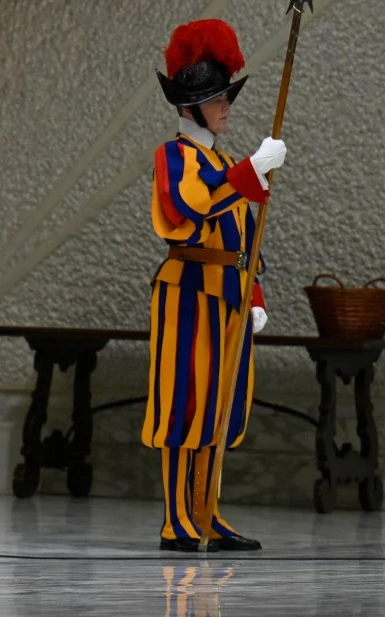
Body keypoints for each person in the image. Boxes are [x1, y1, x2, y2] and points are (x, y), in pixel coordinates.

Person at [145, 19, 285, 553]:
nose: (226, 105)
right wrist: (249, 173)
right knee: (184, 401)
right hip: (187, 292)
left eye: (226, 95)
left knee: (220, 406)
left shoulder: (224, 162)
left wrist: (254, 296)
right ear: (190, 106)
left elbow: (245, 238)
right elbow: (187, 208)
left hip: (227, 293)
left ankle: (207, 512)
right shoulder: (175, 157)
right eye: (216, 97)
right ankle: (177, 518)